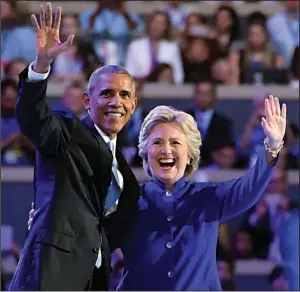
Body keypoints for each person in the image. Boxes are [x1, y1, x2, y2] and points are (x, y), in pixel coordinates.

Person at [29, 96, 287, 290]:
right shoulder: (126, 199)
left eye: (175, 143)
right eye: (157, 143)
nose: (166, 150)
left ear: (189, 156)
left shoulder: (208, 198)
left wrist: (272, 147)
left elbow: (249, 187)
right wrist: (48, 225)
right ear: (145, 153)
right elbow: (89, 241)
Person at [9, 3, 140, 291]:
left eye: (124, 95)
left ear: (133, 105)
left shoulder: (126, 174)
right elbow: (33, 118)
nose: (115, 102)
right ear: (87, 101)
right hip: (51, 275)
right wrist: (41, 66)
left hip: (93, 280)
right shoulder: (66, 132)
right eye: (106, 93)